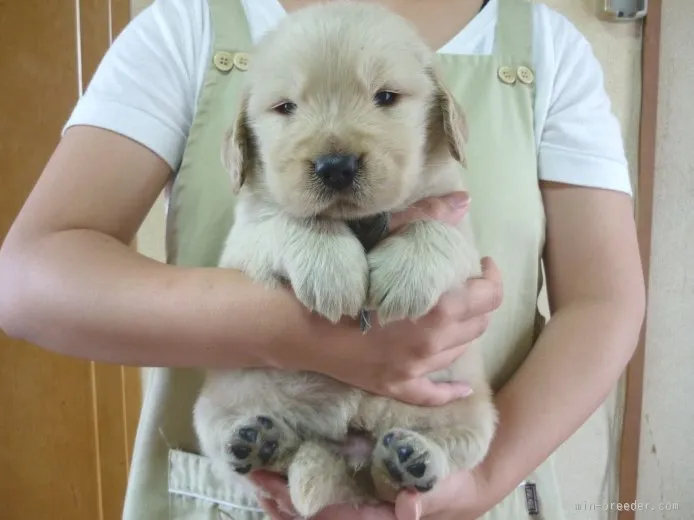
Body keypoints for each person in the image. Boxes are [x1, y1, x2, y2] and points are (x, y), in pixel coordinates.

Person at [0, 0, 645, 519]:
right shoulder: (186, 22)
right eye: (285, 109)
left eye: (387, 97)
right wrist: (295, 335)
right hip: (241, 493)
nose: (335, 153)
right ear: (246, 138)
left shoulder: (545, 46)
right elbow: (28, 279)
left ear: (442, 114)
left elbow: (604, 300)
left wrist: (482, 479)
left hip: (459, 483)